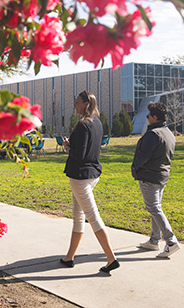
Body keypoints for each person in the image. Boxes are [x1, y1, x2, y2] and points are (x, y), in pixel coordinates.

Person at [60, 91, 119, 273]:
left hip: (81, 177)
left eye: (77, 102)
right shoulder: (97, 123)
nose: (74, 105)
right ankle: (69, 257)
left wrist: (67, 146)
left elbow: (80, 154)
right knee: (78, 216)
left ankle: (111, 259)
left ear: (86, 104)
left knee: (92, 217)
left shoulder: (83, 124)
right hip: (92, 174)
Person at [132, 102, 179, 258]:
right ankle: (154, 240)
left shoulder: (153, 135)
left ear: (154, 117)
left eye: (148, 115)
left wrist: (136, 168)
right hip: (162, 176)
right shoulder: (168, 133)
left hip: (149, 176)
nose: (146, 118)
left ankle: (171, 241)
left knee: (153, 208)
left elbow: (143, 156)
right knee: (156, 207)